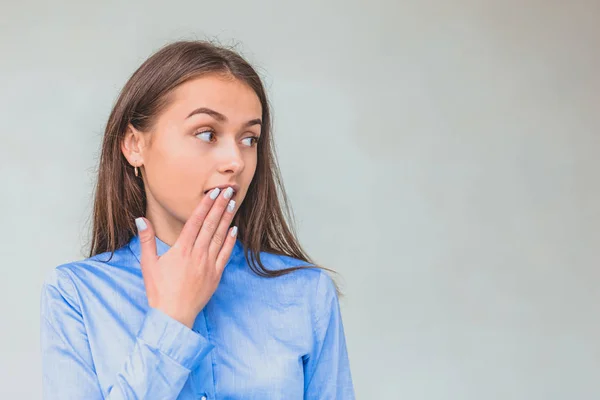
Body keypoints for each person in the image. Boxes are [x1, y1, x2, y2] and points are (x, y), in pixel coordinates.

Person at [39, 40, 355, 399]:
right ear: (134, 145)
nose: (235, 161)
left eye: (250, 139)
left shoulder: (307, 294)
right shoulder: (76, 295)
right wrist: (172, 320)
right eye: (207, 133)